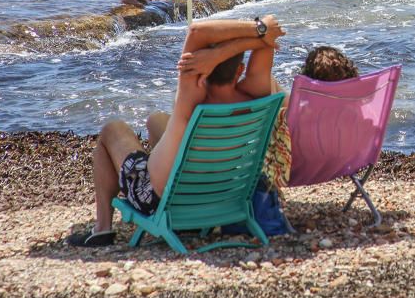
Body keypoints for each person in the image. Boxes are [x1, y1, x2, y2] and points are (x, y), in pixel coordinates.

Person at [67, 15, 285, 247]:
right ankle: (170, 169)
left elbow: (196, 31)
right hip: (226, 193)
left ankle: (102, 228)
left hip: (163, 198)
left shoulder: (193, 95)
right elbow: (268, 39)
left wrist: (242, 38)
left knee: (112, 129)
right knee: (157, 120)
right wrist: (247, 38)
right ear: (240, 69)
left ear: (204, 68)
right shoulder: (255, 94)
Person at [263, 46, 360, 191]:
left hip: (298, 167)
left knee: (271, 86)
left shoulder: (302, 114)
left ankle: (267, 74)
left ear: (308, 82)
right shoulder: (352, 113)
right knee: (281, 95)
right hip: (339, 163)